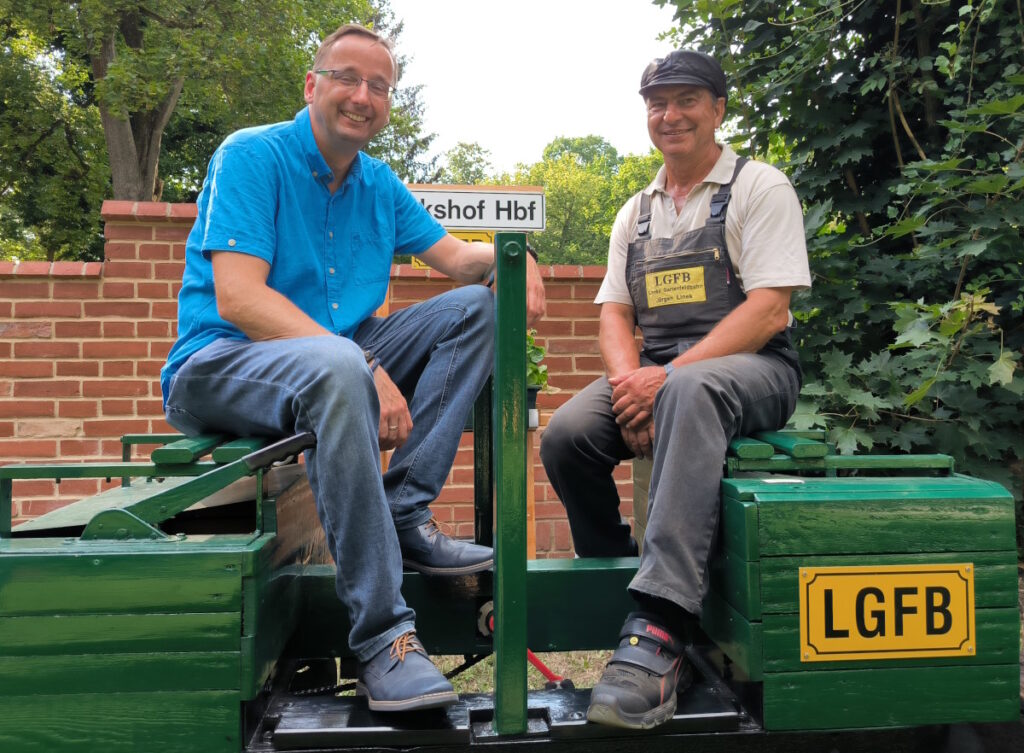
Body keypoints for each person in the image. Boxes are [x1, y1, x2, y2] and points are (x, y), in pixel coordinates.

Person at [160, 23, 545, 713]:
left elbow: (459, 261)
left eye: (379, 85)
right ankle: (383, 638)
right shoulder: (252, 155)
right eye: (346, 77)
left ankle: (403, 507)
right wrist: (365, 362)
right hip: (221, 362)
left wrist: (517, 260)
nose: (362, 96)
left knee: (475, 310)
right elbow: (240, 297)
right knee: (339, 362)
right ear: (312, 85)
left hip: (336, 358)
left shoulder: (378, 183)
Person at [540, 50, 810, 730]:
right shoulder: (635, 211)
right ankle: (616, 582)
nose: (671, 114)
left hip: (754, 368)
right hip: (659, 372)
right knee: (567, 435)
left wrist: (668, 376)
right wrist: (630, 381)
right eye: (657, 103)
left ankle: (661, 624)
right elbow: (614, 314)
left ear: (718, 109)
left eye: (687, 99)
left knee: (689, 392)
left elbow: (770, 309)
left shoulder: (758, 187)